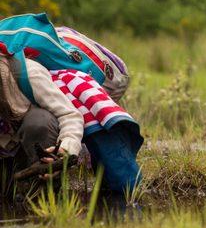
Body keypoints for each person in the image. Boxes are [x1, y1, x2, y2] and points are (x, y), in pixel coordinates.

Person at [0, 53, 142, 198]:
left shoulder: (29, 74)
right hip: (8, 142)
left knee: (40, 122)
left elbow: (70, 116)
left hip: (36, 133)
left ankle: (42, 193)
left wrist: (64, 153)